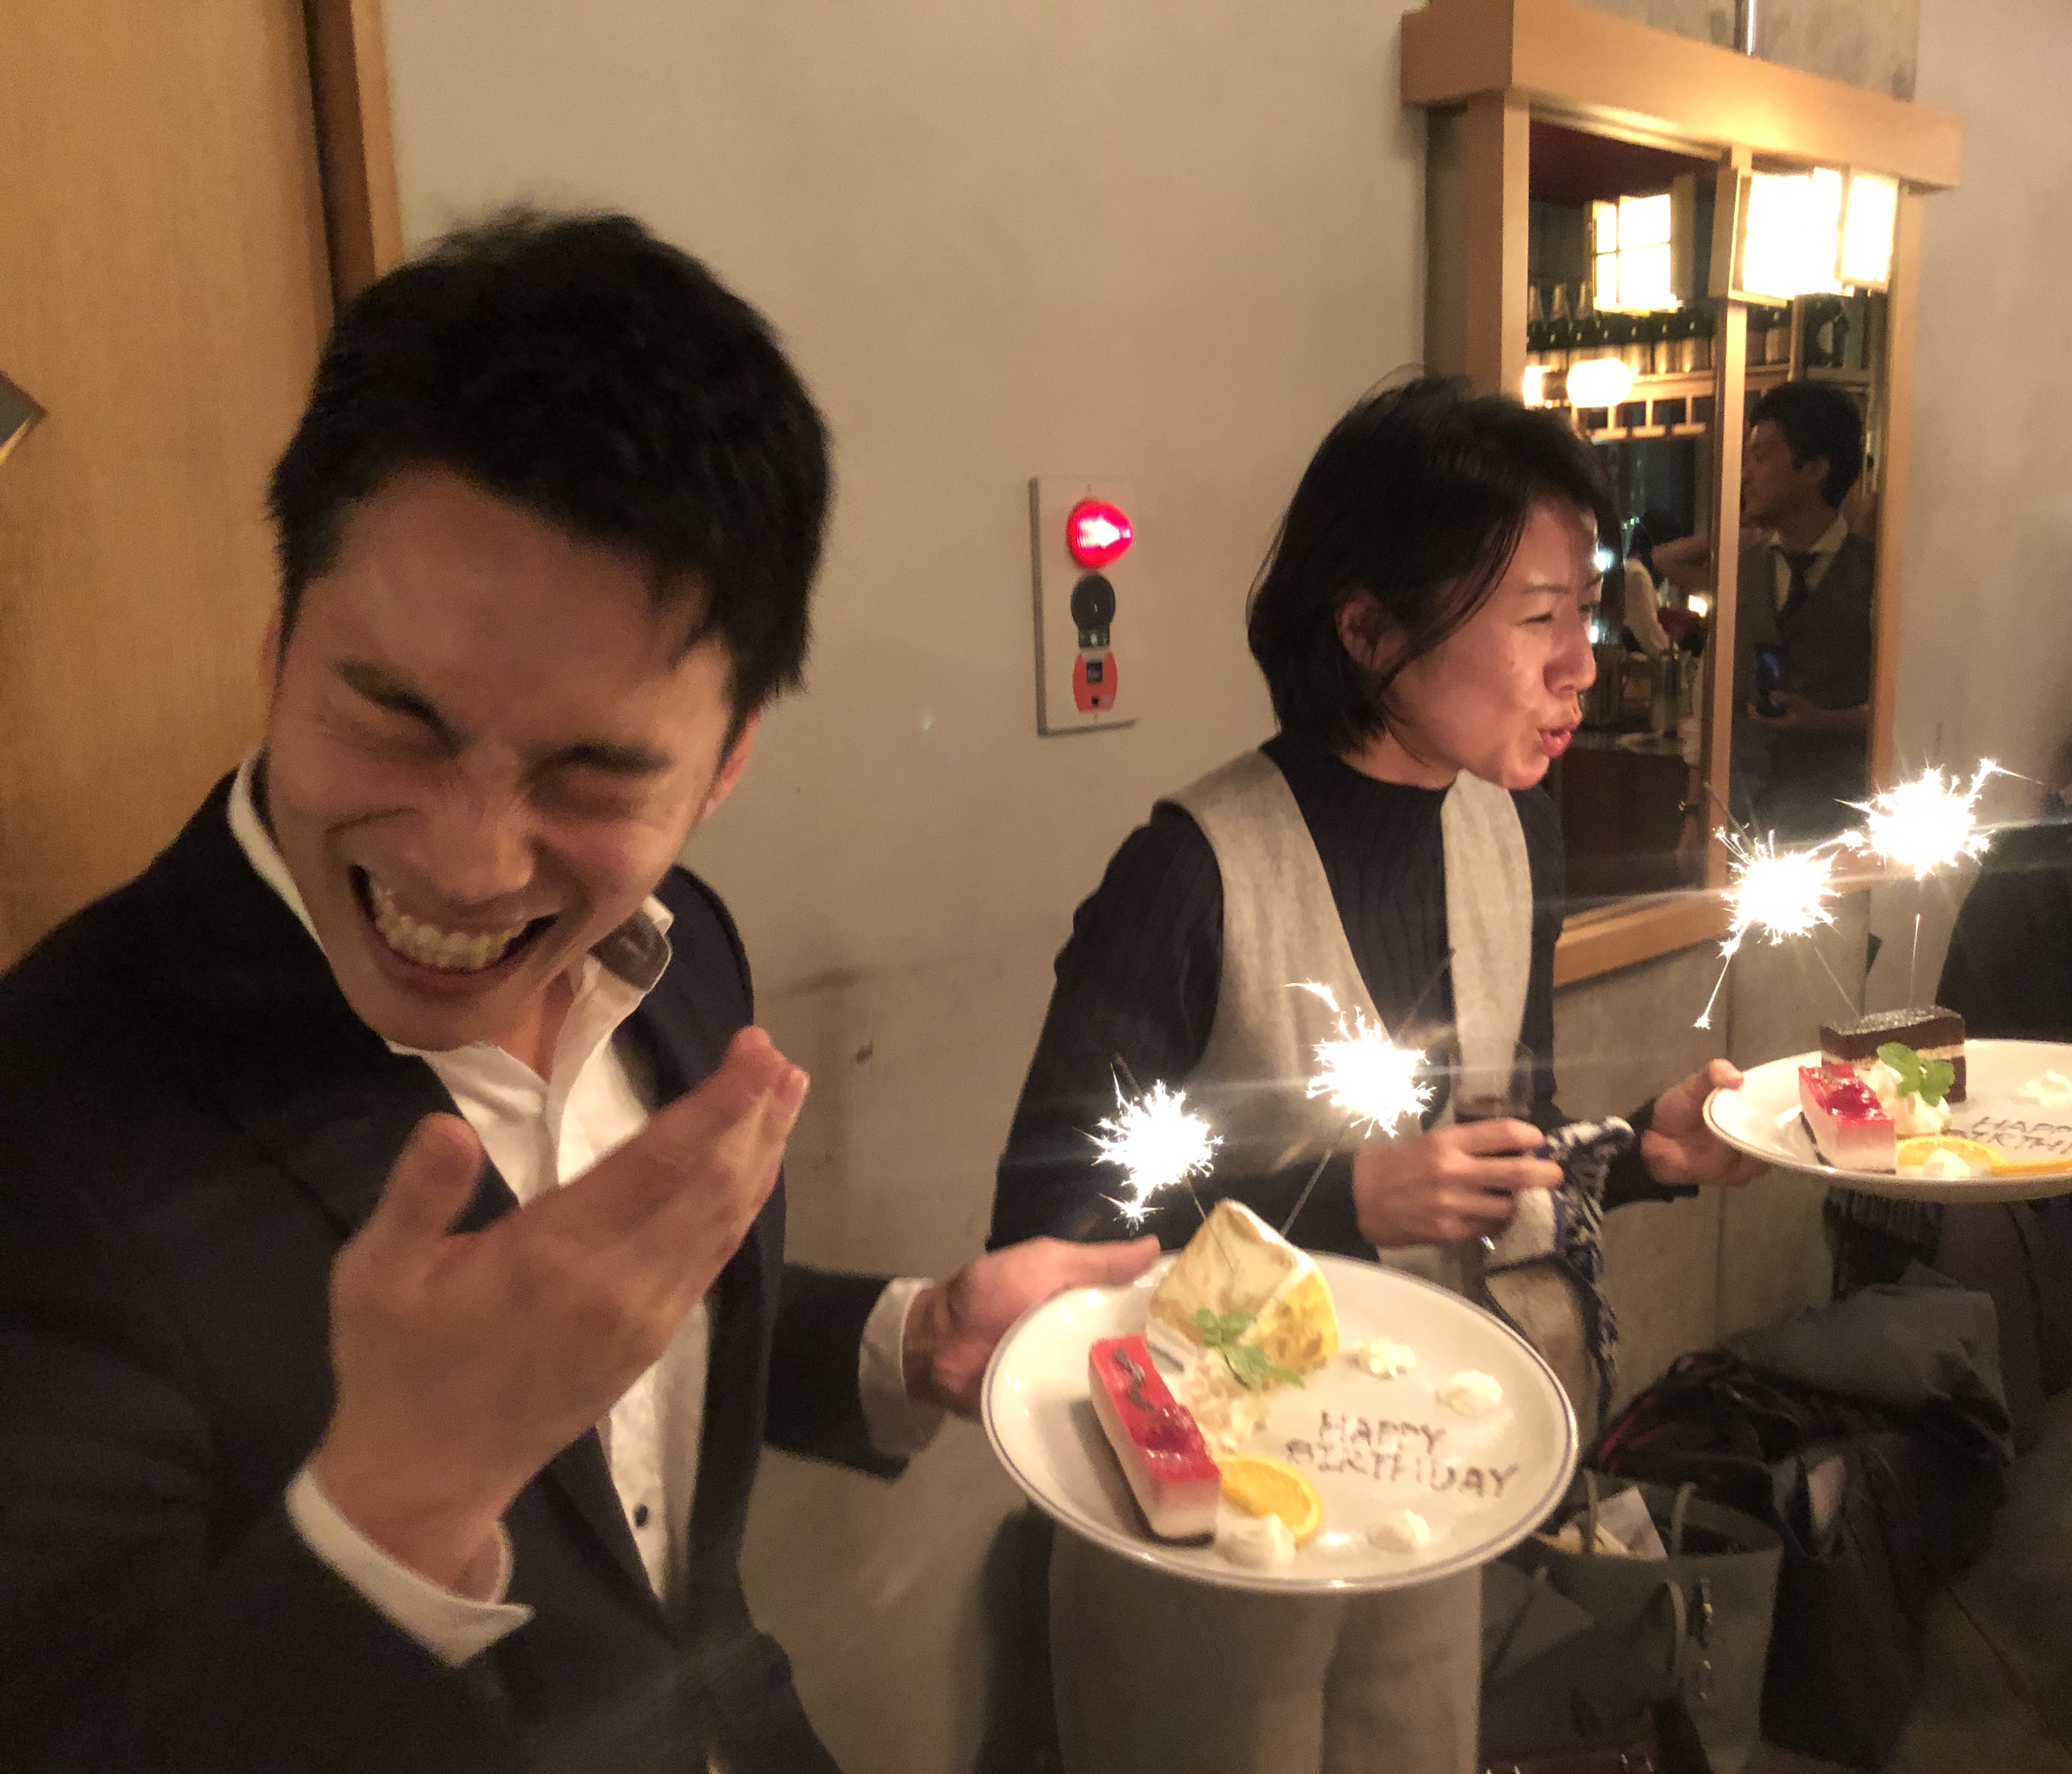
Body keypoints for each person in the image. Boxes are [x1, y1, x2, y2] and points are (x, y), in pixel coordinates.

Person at [0, 211, 1155, 1774]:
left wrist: (913, 1341)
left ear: (722, 770)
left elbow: (612, 1354)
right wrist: (393, 1514)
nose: (468, 863)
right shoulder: (46, 1127)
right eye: (394, 717)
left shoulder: (680, 947)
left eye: (592, 776)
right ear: (278, 653)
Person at [988, 378, 1761, 1774]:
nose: (1583, 665)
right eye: (1538, 617)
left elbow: (1495, 1147)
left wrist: (1643, 1150)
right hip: (1203, 1522)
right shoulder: (1188, 875)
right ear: (1370, 632)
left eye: (1586, 611)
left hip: (1418, 1480)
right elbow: (1043, 1230)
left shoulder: (1514, 833)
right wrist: (1341, 1200)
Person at [1653, 379, 1876, 841]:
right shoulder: (1739, 571)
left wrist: (1829, 722)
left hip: (1841, 827)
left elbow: (1907, 708)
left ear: (1814, 470)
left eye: (1761, 457)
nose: (1745, 475)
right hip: (1742, 822)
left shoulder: (1877, 575)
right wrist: (1693, 812)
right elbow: (1709, 701)